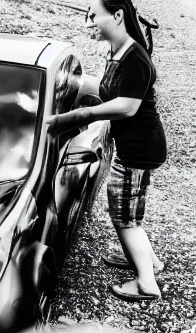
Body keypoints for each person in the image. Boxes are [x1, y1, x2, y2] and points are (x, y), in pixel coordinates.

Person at [46, 0, 167, 302]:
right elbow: (110, 92)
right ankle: (147, 261)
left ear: (116, 15)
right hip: (134, 145)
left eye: (93, 16)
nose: (88, 22)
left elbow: (127, 107)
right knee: (129, 211)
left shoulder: (135, 57)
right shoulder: (119, 51)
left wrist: (78, 116)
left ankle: (146, 283)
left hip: (139, 148)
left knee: (123, 215)